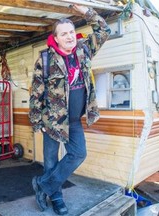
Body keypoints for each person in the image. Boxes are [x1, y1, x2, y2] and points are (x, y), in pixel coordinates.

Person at [29, 4, 111, 215]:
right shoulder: (45, 60)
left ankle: (43, 185)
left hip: (74, 120)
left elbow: (104, 30)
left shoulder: (84, 50)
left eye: (71, 32)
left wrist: (85, 12)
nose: (69, 37)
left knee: (78, 154)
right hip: (52, 122)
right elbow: (36, 93)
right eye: (64, 34)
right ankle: (56, 198)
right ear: (55, 38)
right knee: (50, 161)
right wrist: (37, 122)